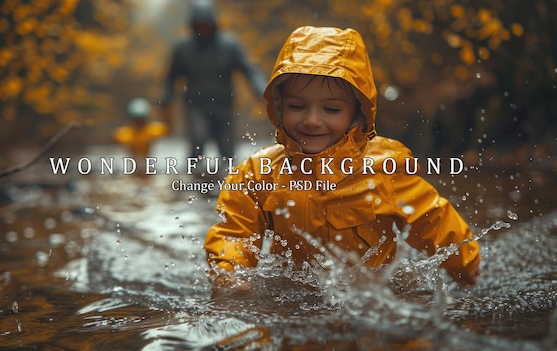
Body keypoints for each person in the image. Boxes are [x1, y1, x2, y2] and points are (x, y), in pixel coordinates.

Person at [204, 26, 481, 297]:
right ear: (279, 106)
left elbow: (431, 217)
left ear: (357, 113)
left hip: (370, 299)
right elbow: (235, 231)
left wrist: (462, 262)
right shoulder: (259, 172)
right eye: (297, 106)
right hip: (295, 300)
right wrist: (230, 271)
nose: (312, 120)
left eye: (331, 109)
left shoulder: (385, 167)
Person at [157, 0, 267, 161]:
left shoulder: (229, 45)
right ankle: (194, 180)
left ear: (213, 23)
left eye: (206, 24)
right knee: (197, 142)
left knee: (227, 149)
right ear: (193, 25)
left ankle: (229, 182)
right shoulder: (183, 48)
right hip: (196, 104)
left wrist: (260, 89)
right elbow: (171, 77)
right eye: (199, 25)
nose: (203, 29)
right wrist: (166, 98)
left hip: (223, 104)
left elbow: (248, 69)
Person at [114, 98, 168, 176]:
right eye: (137, 120)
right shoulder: (126, 133)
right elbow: (115, 138)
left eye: (141, 119)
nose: (139, 122)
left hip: (148, 164)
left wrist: (166, 113)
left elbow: (167, 129)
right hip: (133, 165)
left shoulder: (151, 130)